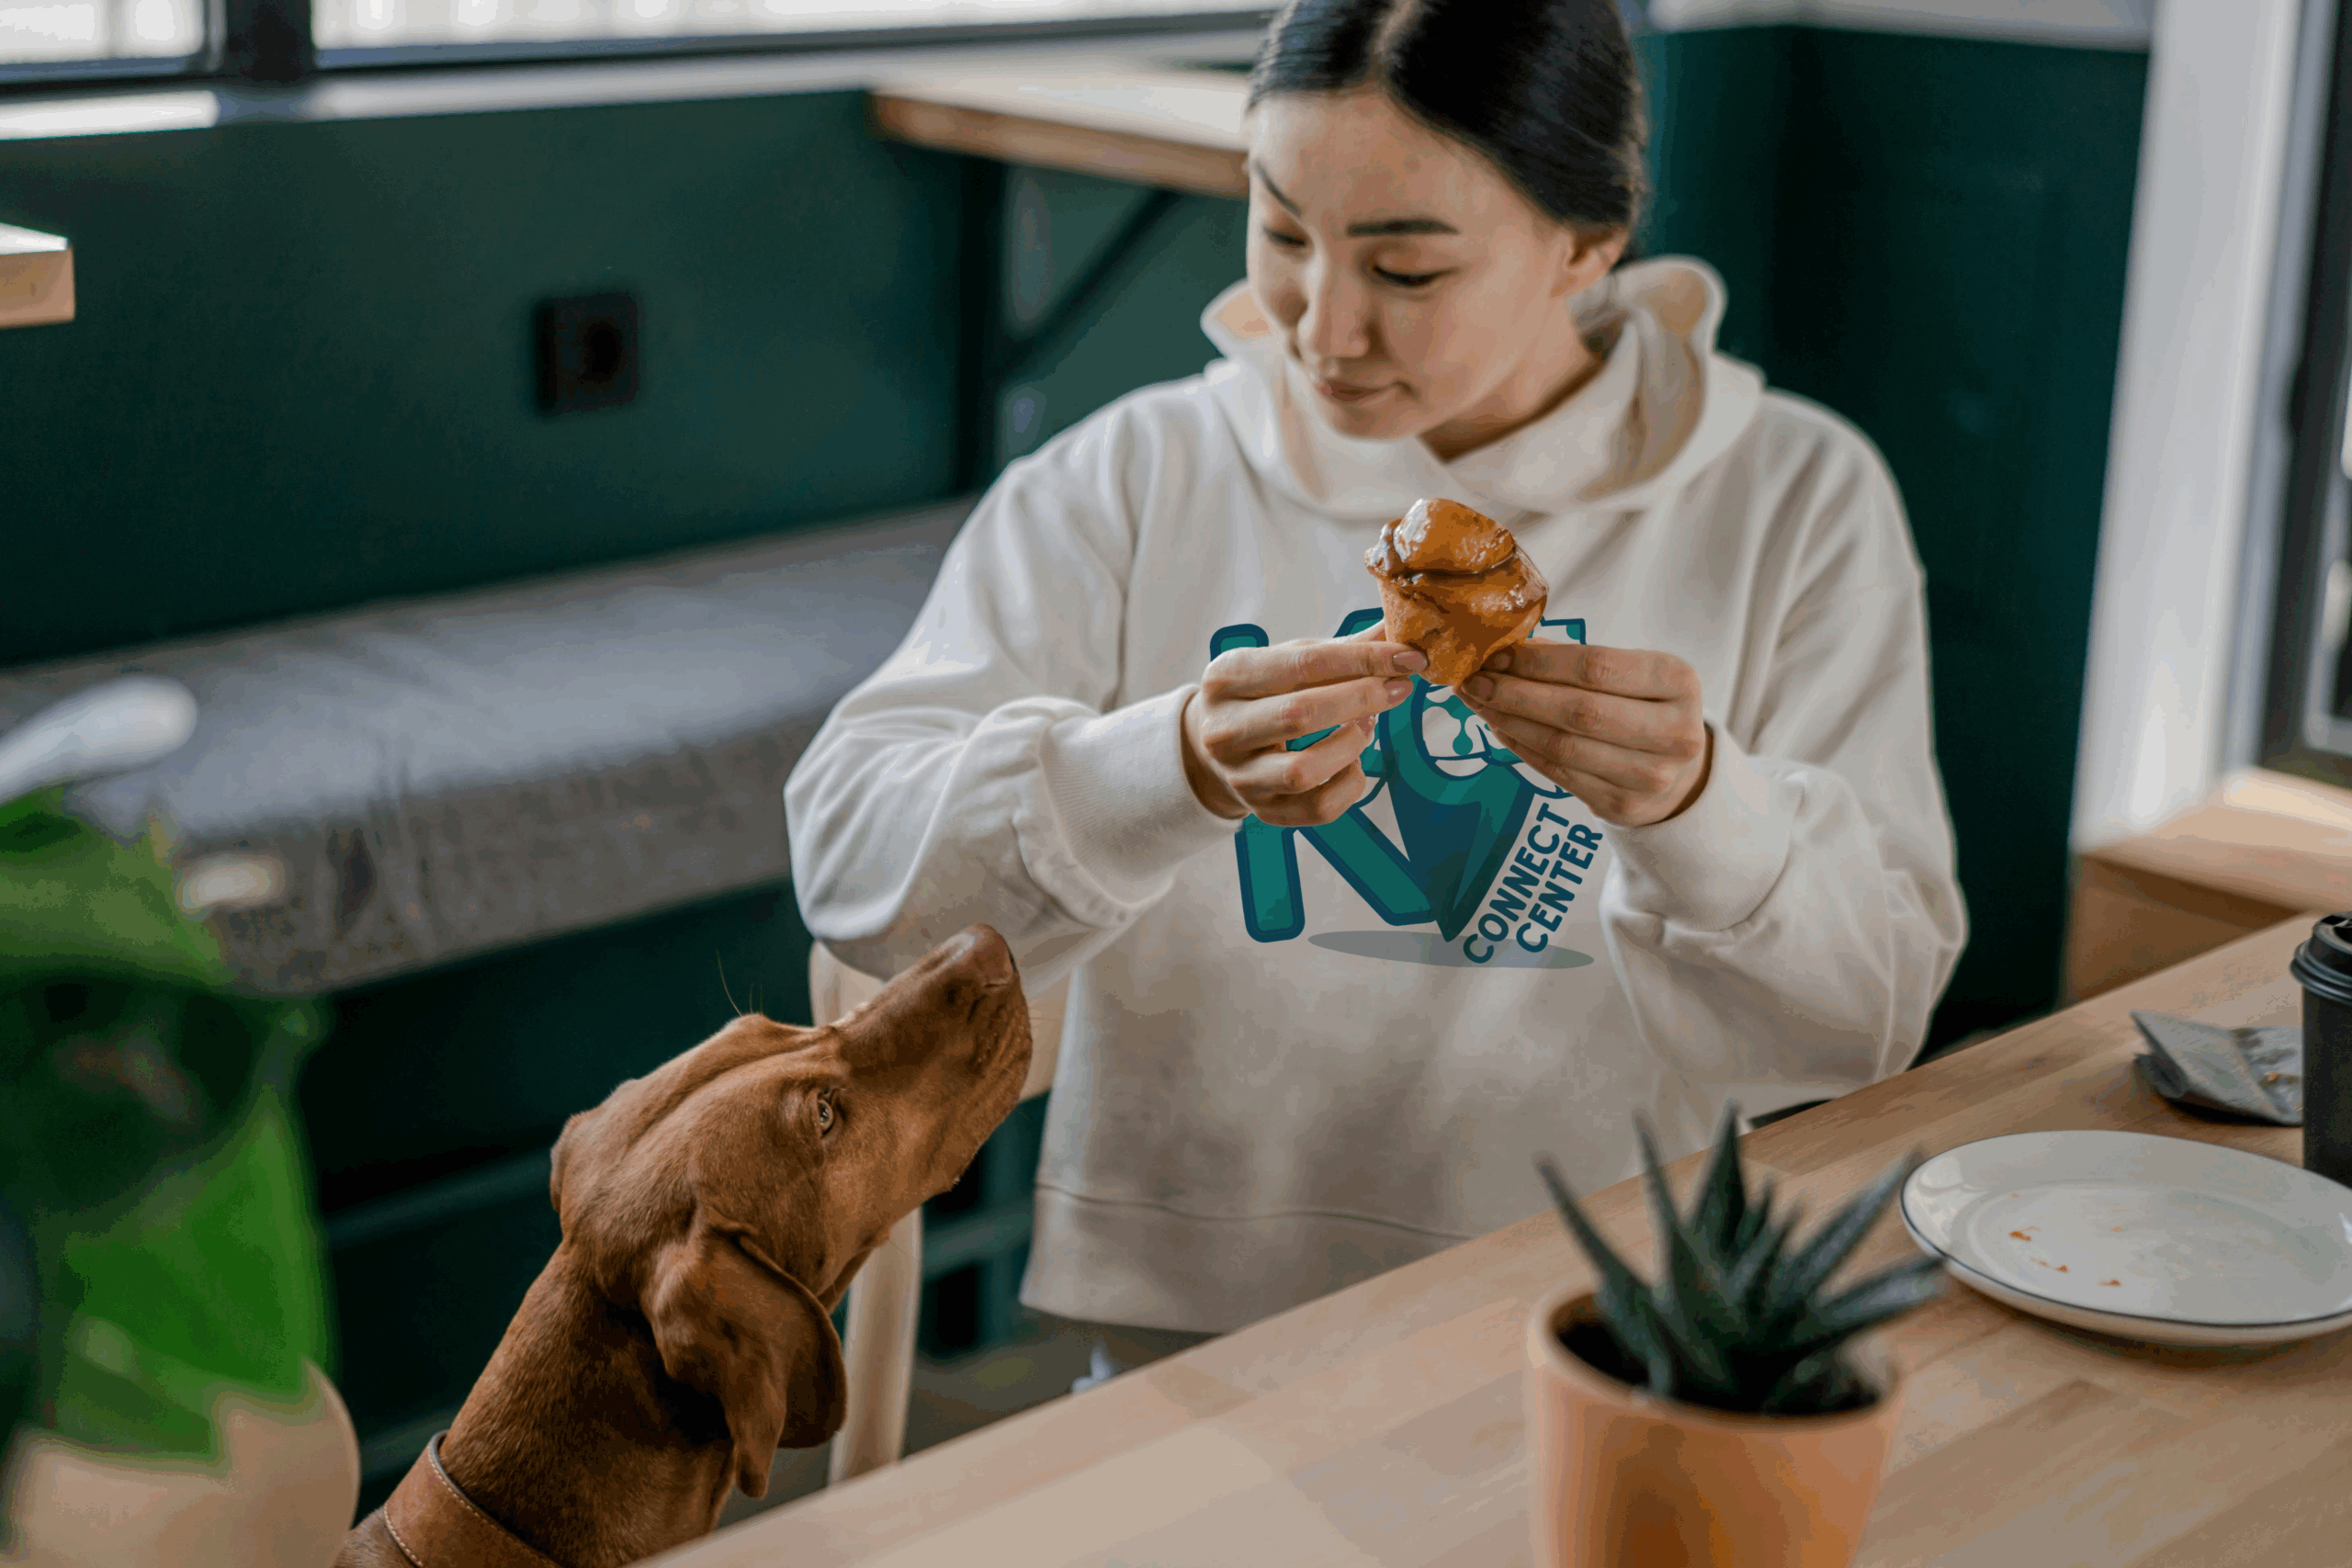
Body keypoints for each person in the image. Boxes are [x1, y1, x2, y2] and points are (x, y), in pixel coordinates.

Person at [785, 0, 1966, 1391]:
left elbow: (1870, 1017)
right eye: (1282, 231)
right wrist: (1166, 765)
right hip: (1189, 1343)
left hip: (1614, 1343)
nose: (1325, 327)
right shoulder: (1135, 475)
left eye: (1407, 267)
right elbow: (852, 858)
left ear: (1588, 245)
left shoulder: (1797, 498)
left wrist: (1703, 808)